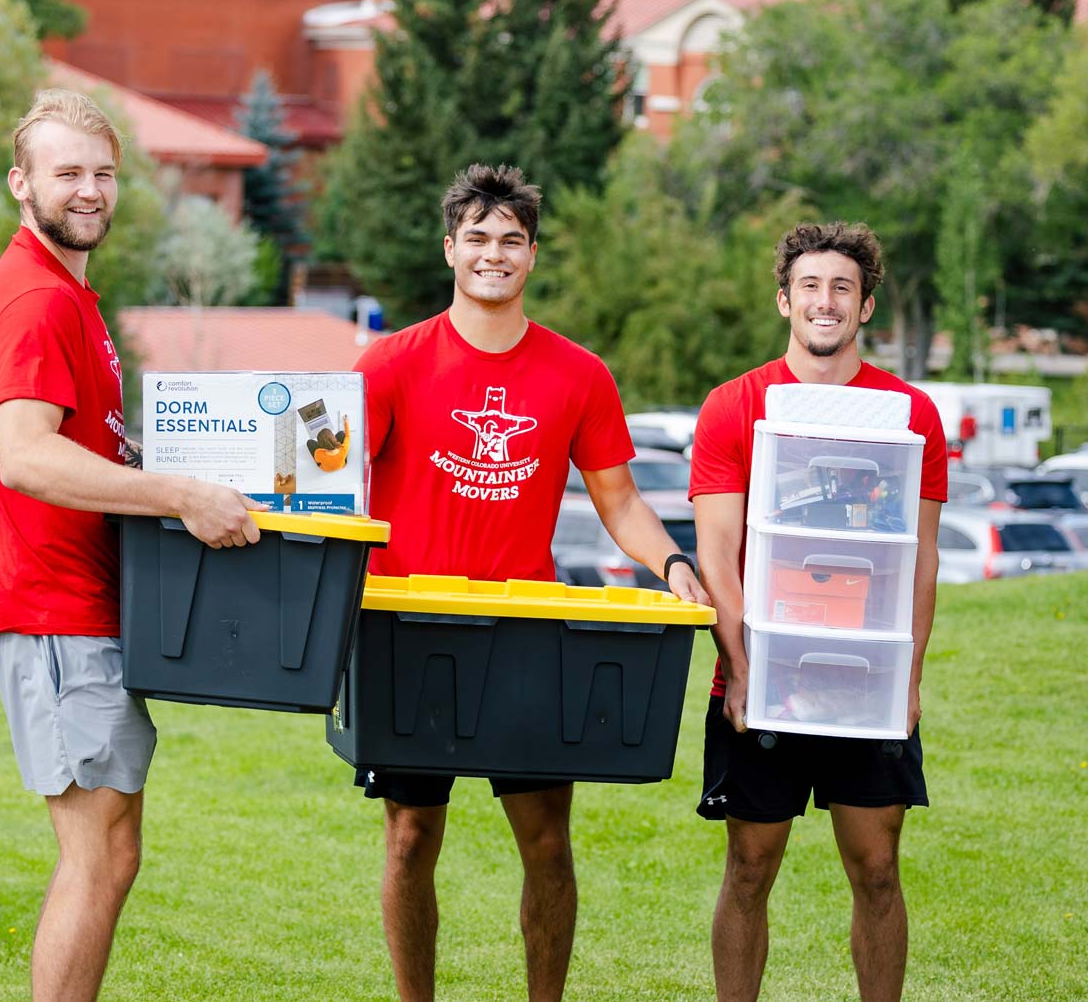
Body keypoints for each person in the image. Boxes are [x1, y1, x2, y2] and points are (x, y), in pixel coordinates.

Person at [353, 163, 711, 1002]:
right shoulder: (391, 363)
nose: (493, 253)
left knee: (547, 843)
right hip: (411, 627)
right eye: (477, 237)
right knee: (409, 837)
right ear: (450, 249)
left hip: (526, 635)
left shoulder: (579, 373)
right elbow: (335, 483)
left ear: (532, 255)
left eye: (510, 239)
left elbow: (619, 500)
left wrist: (675, 565)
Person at [0, 89, 258, 1002]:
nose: (87, 191)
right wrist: (180, 493)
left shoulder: (68, 298)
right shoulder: (35, 300)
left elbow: (81, 445)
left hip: (83, 606)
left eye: (101, 174)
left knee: (110, 847)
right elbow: (26, 456)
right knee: (96, 853)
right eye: (67, 173)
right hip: (54, 607)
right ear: (22, 183)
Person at [690, 221, 947, 1002]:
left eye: (842, 287)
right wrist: (739, 669)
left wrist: (906, 676)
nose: (825, 301)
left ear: (866, 305)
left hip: (866, 676)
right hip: (763, 678)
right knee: (749, 867)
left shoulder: (911, 414)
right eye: (810, 286)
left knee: (877, 868)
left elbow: (920, 559)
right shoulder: (734, 405)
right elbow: (719, 549)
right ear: (784, 300)